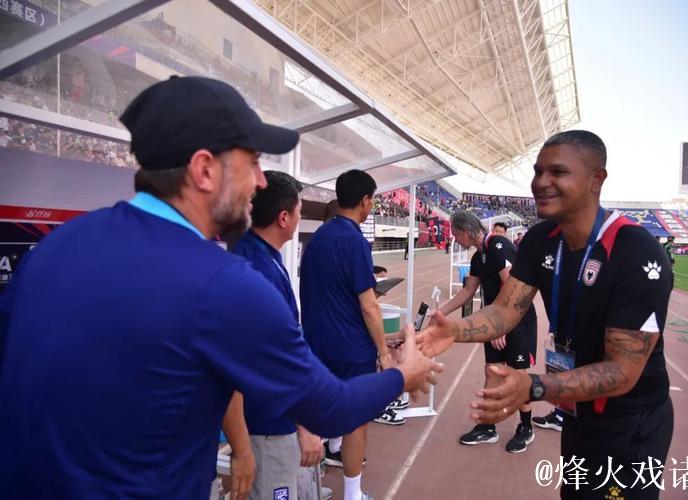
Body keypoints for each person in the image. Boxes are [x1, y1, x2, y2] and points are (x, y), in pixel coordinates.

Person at [0, 76, 441, 498]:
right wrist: (402, 374)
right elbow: (332, 408)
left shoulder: (54, 248)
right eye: (252, 162)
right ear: (204, 170)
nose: (261, 181)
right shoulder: (224, 286)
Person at [419, 130, 674, 499]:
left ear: (596, 179)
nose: (541, 182)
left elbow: (622, 372)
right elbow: (505, 310)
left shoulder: (636, 252)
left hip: (630, 422)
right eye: (538, 171)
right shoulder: (541, 240)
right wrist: (453, 330)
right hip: (578, 412)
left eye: (558, 172)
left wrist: (534, 386)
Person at [230, 171, 330, 500]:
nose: (301, 217)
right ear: (284, 217)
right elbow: (271, 361)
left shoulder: (259, 256)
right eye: (299, 209)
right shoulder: (259, 271)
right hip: (268, 425)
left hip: (267, 420)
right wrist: (304, 425)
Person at [301, 170, 401, 500]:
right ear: (365, 201)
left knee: (319, 407)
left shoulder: (319, 237)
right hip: (351, 347)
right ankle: (353, 494)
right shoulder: (355, 241)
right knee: (356, 418)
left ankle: (318, 472)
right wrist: (383, 353)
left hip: (317, 342)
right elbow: (369, 306)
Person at [437, 211, 537, 452]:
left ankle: (526, 427)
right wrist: (441, 312)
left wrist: (502, 326)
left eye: (456, 235)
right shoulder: (477, 257)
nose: (456, 240)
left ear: (467, 231)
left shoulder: (498, 246)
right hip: (495, 322)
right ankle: (488, 426)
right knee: (491, 371)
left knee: (518, 375)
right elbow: (467, 291)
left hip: (518, 321)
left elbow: (513, 289)